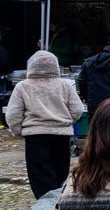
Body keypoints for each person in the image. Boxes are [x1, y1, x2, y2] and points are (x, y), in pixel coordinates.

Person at [5, 49, 85, 197]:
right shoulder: (64, 85)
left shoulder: (23, 86)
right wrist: (65, 121)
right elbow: (77, 110)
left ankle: (45, 208)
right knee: (59, 174)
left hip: (35, 136)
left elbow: (12, 115)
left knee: (40, 176)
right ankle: (56, 206)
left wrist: (19, 131)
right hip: (60, 136)